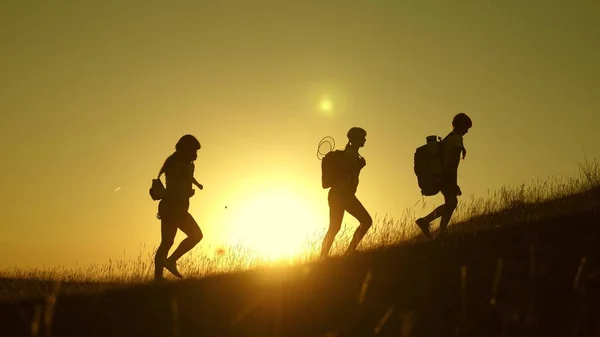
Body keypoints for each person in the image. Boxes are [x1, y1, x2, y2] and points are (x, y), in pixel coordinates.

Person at [154, 134, 204, 280]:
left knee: (167, 241)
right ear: (185, 149)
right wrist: (186, 192)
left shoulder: (188, 165)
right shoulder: (175, 164)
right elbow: (173, 187)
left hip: (174, 208)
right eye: (194, 150)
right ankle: (170, 261)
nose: (195, 154)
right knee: (196, 235)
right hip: (173, 207)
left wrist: (196, 184)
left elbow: (188, 177)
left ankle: (158, 278)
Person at [416, 113, 472, 237]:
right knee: (452, 203)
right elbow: (453, 162)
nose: (467, 131)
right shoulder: (457, 139)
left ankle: (442, 232)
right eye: (467, 127)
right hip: (447, 175)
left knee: (450, 202)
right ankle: (425, 221)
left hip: (441, 175)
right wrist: (454, 183)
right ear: (461, 125)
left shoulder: (448, 138)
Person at [320, 127, 373, 258]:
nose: (365, 140)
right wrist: (358, 166)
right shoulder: (351, 154)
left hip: (336, 194)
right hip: (343, 194)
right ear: (356, 139)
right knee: (366, 221)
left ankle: (322, 257)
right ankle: (349, 253)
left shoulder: (351, 153)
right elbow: (345, 172)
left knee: (334, 228)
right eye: (363, 137)